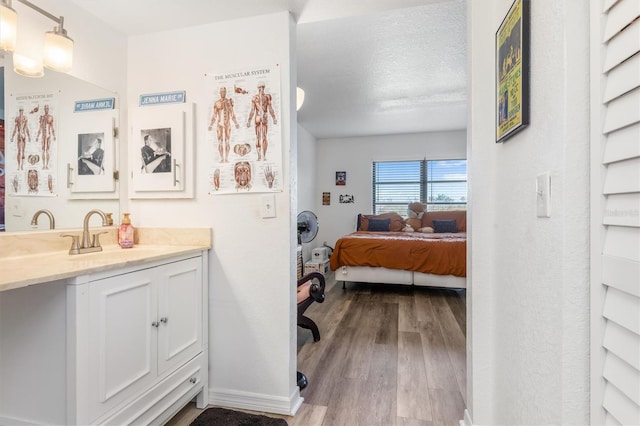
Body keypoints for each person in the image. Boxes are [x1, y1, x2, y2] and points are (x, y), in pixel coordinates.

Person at [247, 82, 277, 161]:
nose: (261, 89)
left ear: (263, 88)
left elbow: (270, 108)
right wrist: (249, 120)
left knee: (263, 136)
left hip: (264, 117)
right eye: (260, 88)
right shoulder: (255, 98)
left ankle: (263, 155)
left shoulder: (267, 97)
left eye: (262, 88)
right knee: (258, 137)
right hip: (259, 117)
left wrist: (274, 117)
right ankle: (260, 156)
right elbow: (252, 110)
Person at [208, 87, 239, 163]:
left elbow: (232, 113)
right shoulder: (217, 103)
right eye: (222, 92)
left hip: (227, 124)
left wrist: (236, 123)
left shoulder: (229, 102)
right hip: (219, 124)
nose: (223, 93)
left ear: (226, 92)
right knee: (220, 142)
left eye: (224, 92)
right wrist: (211, 125)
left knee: (227, 141)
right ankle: (222, 158)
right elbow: (214, 115)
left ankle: (227, 158)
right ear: (220, 92)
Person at [36, 104, 56, 170]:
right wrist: (37, 136)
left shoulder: (50, 117)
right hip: (43, 135)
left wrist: (54, 135)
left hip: (48, 136)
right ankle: (43, 165)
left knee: (47, 151)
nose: (46, 110)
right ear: (44, 109)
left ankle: (46, 165)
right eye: (45, 108)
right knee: (43, 150)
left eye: (47, 108)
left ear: (48, 109)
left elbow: (52, 127)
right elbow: (40, 127)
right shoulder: (42, 117)